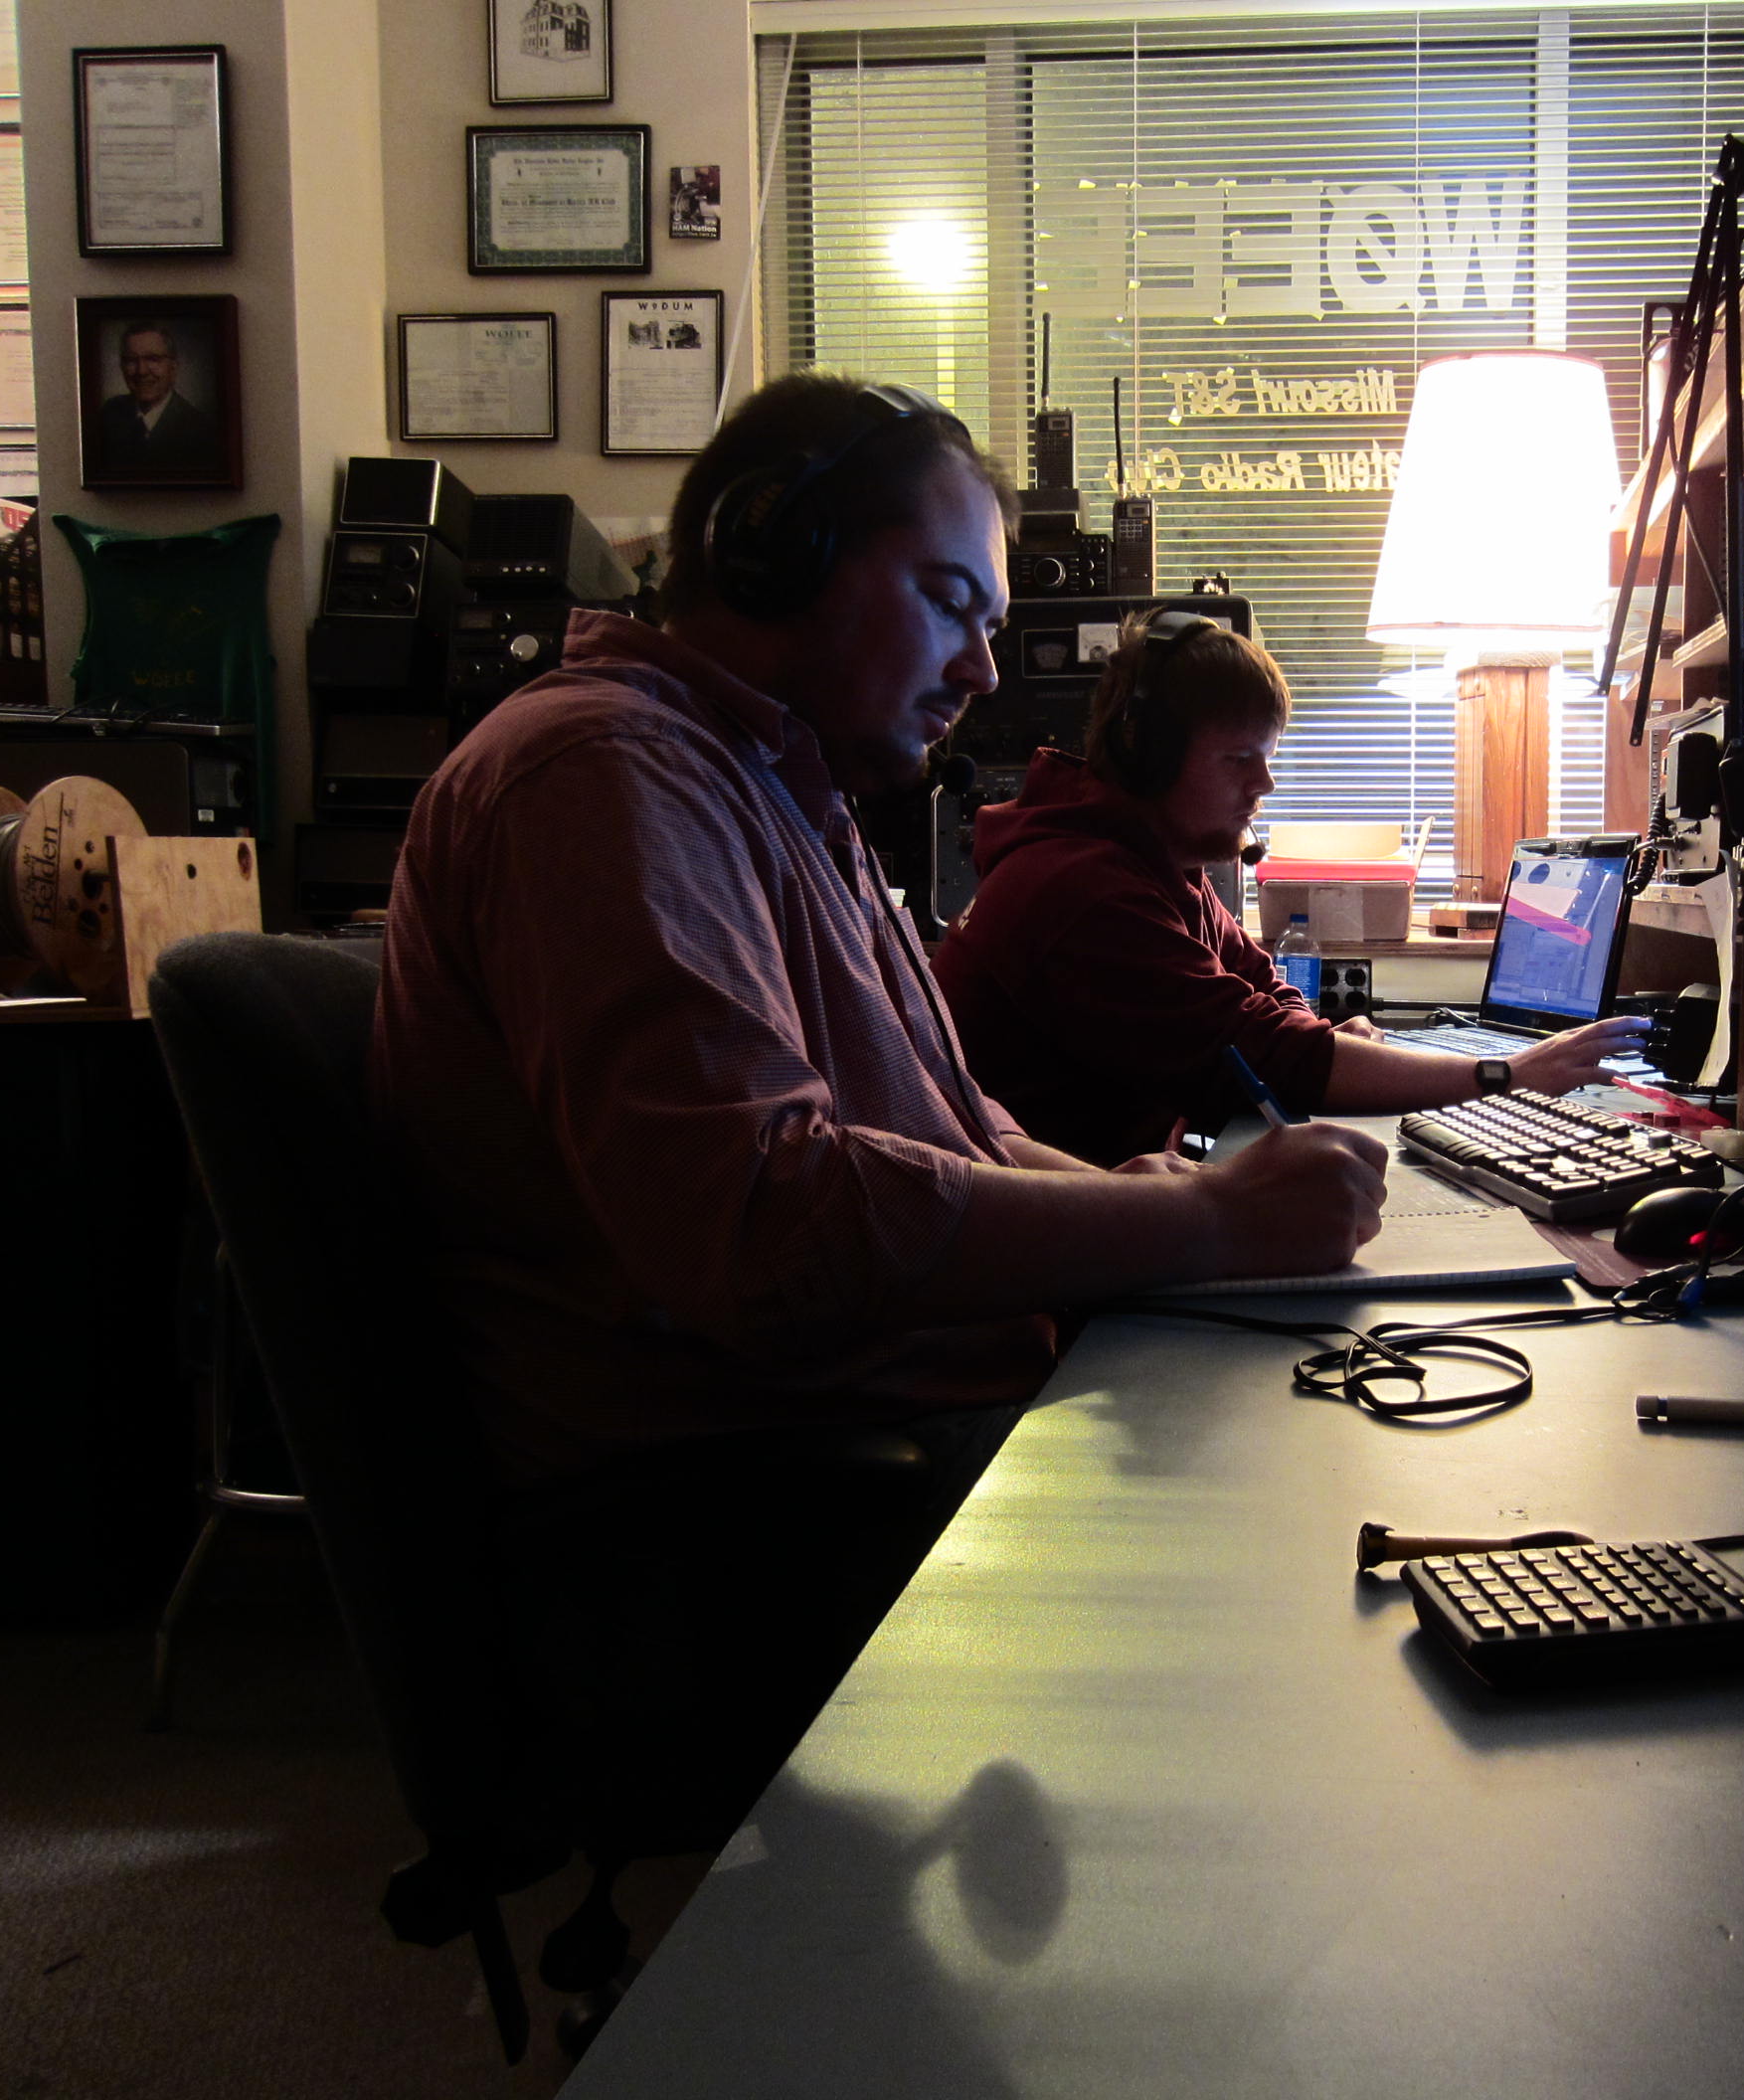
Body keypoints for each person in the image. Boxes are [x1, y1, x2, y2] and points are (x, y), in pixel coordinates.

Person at [372, 374, 1386, 1809]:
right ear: (769, 550)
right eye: (949, 602)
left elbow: (960, 1132)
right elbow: (764, 1222)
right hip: (737, 1518)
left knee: (1309, 1435)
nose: (982, 670)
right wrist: (1204, 1226)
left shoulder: (783, 791)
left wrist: (1153, 1207)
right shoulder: (605, 775)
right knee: (1311, 1575)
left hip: (852, 1443)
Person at [933, 609, 1653, 1166]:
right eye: (1239, 759)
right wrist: (1505, 1074)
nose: (1266, 783)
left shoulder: (1155, 863)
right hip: (1050, 1269)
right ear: (1147, 756)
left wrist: (1327, 1038)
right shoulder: (1083, 889)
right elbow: (1272, 1054)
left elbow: (1265, 990)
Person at [93, 322, 216, 475]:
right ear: (122, 367)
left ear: (173, 367)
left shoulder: (200, 430)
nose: (141, 371)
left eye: (153, 359)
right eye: (131, 360)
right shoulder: (109, 413)